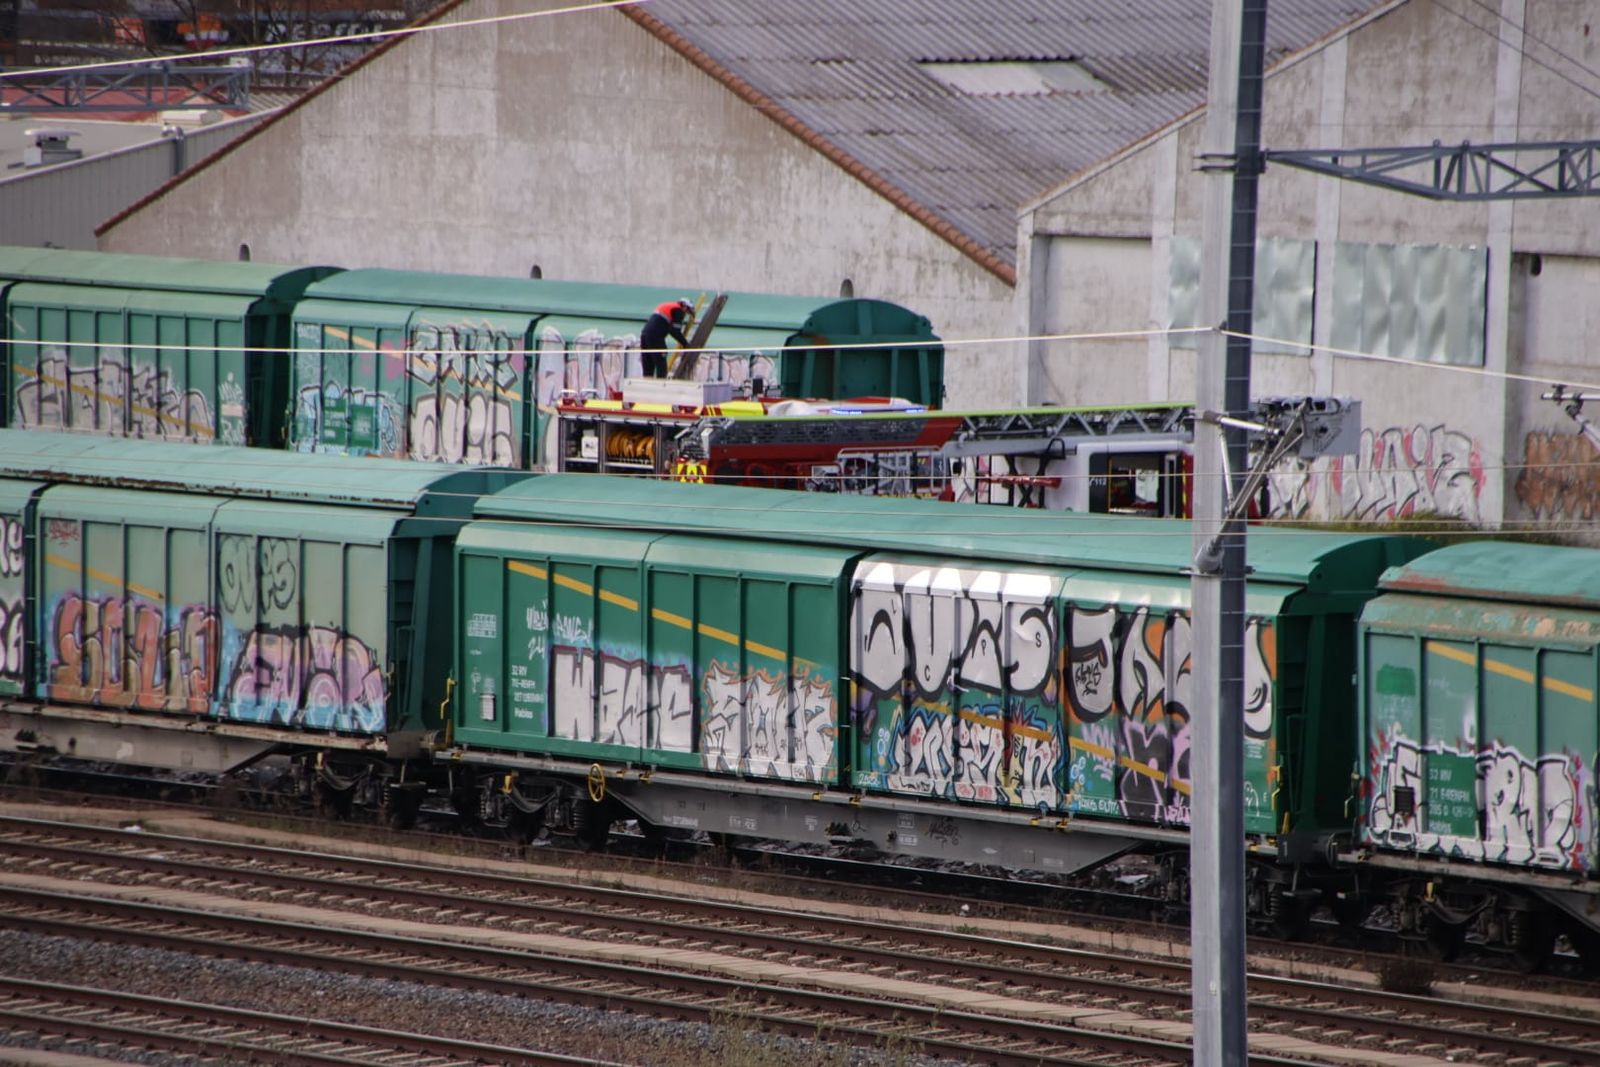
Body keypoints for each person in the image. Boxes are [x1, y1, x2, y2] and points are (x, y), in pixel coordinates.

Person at [640, 299, 692, 378]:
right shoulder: (678, 310)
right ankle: (661, 385)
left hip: (645, 335)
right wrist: (686, 344)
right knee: (661, 364)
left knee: (648, 363)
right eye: (687, 311)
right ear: (684, 306)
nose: (686, 314)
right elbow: (675, 331)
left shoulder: (669, 306)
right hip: (655, 336)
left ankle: (647, 385)